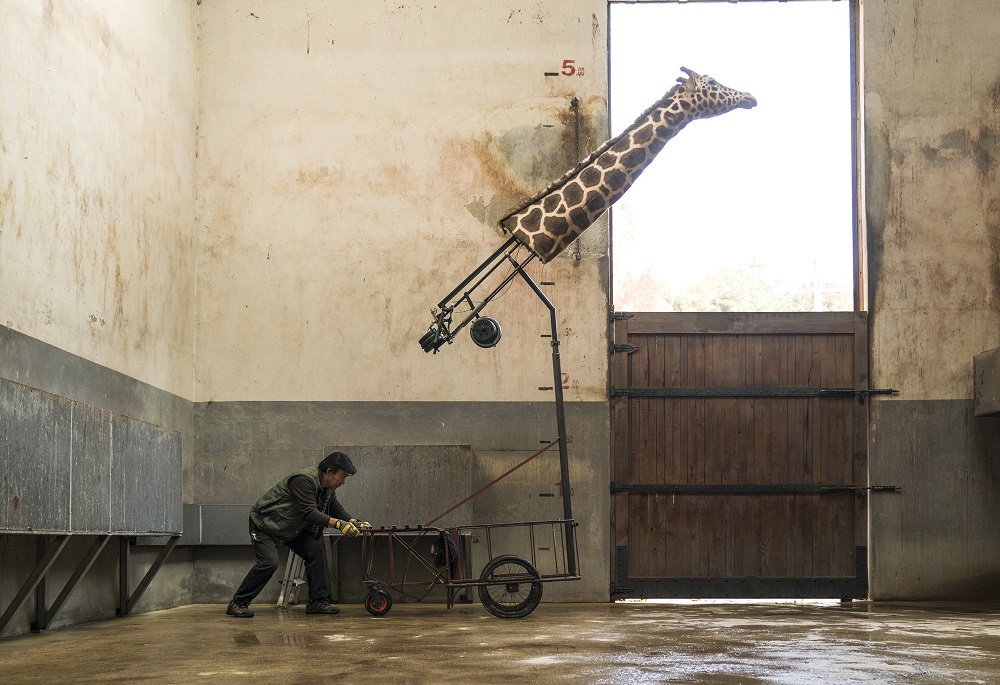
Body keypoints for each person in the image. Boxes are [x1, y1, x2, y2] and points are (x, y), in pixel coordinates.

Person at [226, 451, 370, 618]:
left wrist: (354, 521)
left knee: (314, 550)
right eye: (342, 476)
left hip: (290, 528)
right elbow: (310, 513)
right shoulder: (304, 480)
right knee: (269, 563)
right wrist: (339, 524)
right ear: (329, 472)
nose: (343, 482)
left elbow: (335, 508)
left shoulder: (326, 489)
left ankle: (317, 601)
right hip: (265, 525)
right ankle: (237, 603)